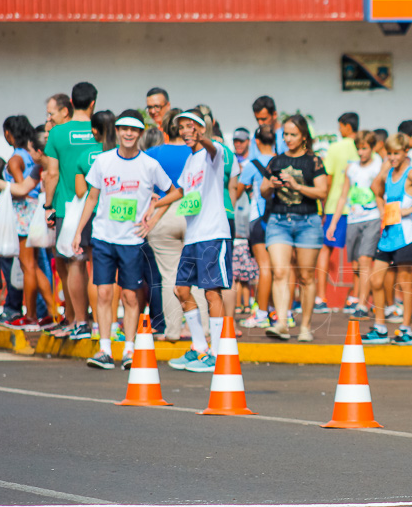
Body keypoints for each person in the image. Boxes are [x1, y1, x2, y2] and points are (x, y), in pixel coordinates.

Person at [73, 111, 174, 370]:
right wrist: (77, 231)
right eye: (124, 129)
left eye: (134, 130)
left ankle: (129, 350)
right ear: (116, 131)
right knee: (105, 292)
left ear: (140, 134)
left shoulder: (149, 164)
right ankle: (105, 349)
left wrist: (153, 218)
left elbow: (172, 192)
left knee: (131, 296)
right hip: (104, 237)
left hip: (132, 240)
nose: (128, 134)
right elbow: (92, 198)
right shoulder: (103, 161)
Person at [147, 110, 231, 373]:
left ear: (201, 128)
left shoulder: (212, 152)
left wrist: (204, 138)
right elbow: (182, 190)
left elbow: (214, 151)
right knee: (181, 289)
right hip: (193, 235)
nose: (186, 131)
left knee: (211, 292)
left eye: (191, 126)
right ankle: (199, 347)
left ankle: (217, 354)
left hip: (213, 233)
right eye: (182, 127)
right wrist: (155, 204)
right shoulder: (191, 159)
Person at [259, 115, 329, 342]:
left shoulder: (314, 161)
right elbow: (263, 191)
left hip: (308, 222)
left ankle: (306, 326)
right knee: (279, 272)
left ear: (303, 136)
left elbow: (322, 192)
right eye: (285, 134)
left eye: (293, 135)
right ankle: (281, 322)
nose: (288, 139)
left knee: (306, 276)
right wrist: (271, 184)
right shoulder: (276, 161)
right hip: (279, 220)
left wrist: (297, 185)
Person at [362, 133, 412, 345]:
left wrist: (410, 209)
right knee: (376, 279)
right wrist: (383, 170)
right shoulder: (388, 172)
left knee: (405, 284)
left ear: (405, 152)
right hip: (387, 234)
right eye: (389, 154)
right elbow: (375, 190)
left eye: (396, 153)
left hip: (406, 234)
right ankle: (380, 327)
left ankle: (405, 330)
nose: (392, 157)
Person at [43, 81, 101, 341]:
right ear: (92, 103)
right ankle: (102, 325)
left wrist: (48, 206)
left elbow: (52, 174)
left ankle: (80, 321)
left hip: (68, 206)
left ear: (71, 104)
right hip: (101, 205)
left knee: (74, 264)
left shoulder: (56, 133)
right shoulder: (100, 130)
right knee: (98, 265)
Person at [0, 116, 55, 330]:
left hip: (24, 212)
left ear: (8, 134)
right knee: (40, 267)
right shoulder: (33, 158)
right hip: (38, 212)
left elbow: (22, 188)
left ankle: (31, 314)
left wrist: (2, 184)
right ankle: (50, 312)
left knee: (28, 266)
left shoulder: (15, 159)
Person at [327, 130, 383, 319]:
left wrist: (384, 219)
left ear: (372, 148)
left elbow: (382, 193)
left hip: (372, 218)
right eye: (358, 148)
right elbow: (343, 196)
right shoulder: (352, 169)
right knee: (357, 264)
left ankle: (362, 304)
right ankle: (363, 298)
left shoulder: (378, 165)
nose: (361, 152)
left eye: (364, 148)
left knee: (366, 260)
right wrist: (333, 223)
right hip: (353, 219)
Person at [234, 127, 276, 329]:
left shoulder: (252, 165)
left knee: (264, 267)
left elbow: (237, 191)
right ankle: (282, 313)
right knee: (280, 269)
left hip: (258, 218)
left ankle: (261, 313)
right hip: (279, 220)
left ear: (256, 142)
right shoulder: (281, 161)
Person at [318, 112, 360, 314]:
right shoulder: (362, 147)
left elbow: (328, 178)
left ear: (346, 126)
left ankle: (320, 297)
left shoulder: (335, 148)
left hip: (335, 206)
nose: (338, 130)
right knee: (361, 254)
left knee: (325, 249)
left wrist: (323, 204)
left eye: (340, 126)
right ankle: (355, 298)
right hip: (360, 208)